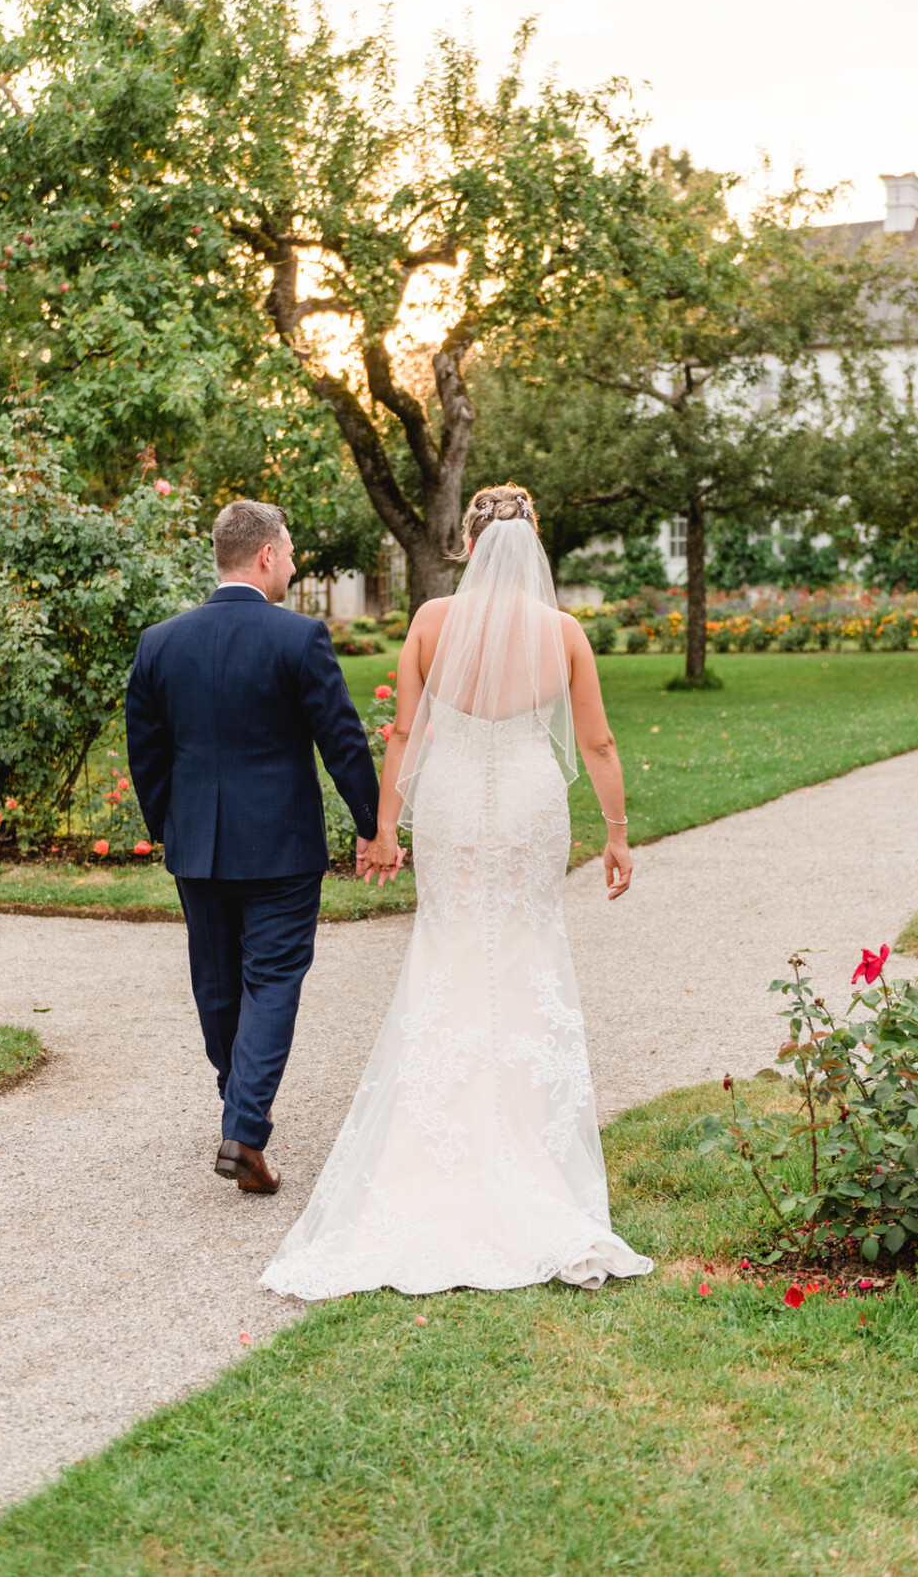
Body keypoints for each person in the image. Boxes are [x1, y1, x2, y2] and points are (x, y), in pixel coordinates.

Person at [261, 484, 653, 1296]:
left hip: (448, 807)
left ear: (470, 546)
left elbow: (403, 732)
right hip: (527, 801)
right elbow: (599, 739)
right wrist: (615, 831)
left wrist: (382, 828)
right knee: (525, 947)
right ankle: (527, 1146)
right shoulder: (563, 632)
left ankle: (431, 1143)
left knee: (446, 949)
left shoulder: (432, 623)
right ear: (533, 548)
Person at [125, 499, 379, 1197]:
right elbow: (342, 740)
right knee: (272, 982)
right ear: (265, 555)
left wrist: (169, 826)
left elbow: (145, 755)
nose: (294, 565)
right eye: (291, 552)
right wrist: (370, 820)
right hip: (283, 848)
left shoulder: (160, 641)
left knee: (217, 984)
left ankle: (239, 1110)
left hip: (198, 849)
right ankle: (243, 1130)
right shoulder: (299, 639)